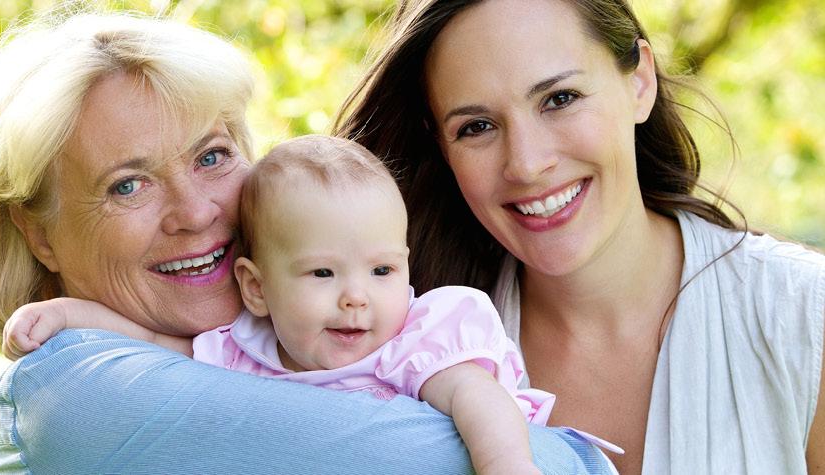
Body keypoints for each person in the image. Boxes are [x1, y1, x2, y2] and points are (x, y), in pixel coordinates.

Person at [0, 11, 615, 474]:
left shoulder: (255, 342)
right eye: (127, 186)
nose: (197, 212)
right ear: (37, 234)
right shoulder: (78, 392)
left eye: (211, 156)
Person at [333, 0, 825, 473]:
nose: (526, 164)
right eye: (477, 126)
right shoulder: (387, 346)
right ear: (441, 146)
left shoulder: (803, 316)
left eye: (559, 99)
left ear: (639, 81)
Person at [2, 135, 624, 474]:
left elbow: (478, 399)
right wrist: (68, 317)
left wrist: (506, 467)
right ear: (255, 288)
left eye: (382, 270)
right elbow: (157, 346)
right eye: (322, 272)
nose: (356, 296)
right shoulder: (243, 348)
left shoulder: (416, 336)